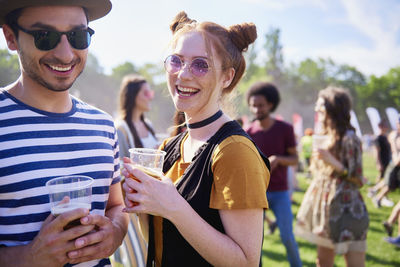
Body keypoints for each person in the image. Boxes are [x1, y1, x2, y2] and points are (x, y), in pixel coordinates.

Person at [121, 11, 270, 266]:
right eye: (176, 61)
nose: (183, 74)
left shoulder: (234, 151)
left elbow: (245, 261)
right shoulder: (169, 148)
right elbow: (163, 244)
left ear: (227, 77)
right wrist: (144, 204)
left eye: (201, 64)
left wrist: (173, 207)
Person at [0, 1, 129, 266]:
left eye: (77, 36)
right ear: (11, 38)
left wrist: (115, 232)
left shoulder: (103, 126)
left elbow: (116, 206)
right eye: (44, 36)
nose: (65, 53)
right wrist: (26, 258)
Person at [295, 86, 369, 267]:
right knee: (323, 262)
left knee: (354, 263)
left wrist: (331, 161)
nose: (316, 110)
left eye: (320, 106)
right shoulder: (323, 137)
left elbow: (358, 179)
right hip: (324, 207)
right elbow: (318, 172)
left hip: (348, 207)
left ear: (333, 108)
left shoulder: (350, 138)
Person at [245, 81, 302, 267]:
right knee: (254, 243)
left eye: (260, 105)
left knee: (287, 237)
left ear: (271, 104)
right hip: (256, 193)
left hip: (280, 192)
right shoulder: (247, 132)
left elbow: (294, 159)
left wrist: (278, 159)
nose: (256, 109)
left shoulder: (285, 128)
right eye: (253, 105)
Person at [113, 74, 158, 267]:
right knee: (138, 260)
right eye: (146, 92)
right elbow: (119, 173)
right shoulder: (120, 129)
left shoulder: (149, 125)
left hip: (153, 203)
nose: (150, 96)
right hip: (132, 206)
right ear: (133, 96)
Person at [370, 117, 400, 208]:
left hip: (390, 161)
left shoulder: (388, 135)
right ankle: (376, 194)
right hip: (392, 163)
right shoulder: (390, 136)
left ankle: (375, 191)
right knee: (387, 182)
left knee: (387, 182)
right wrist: (378, 163)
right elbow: (377, 152)